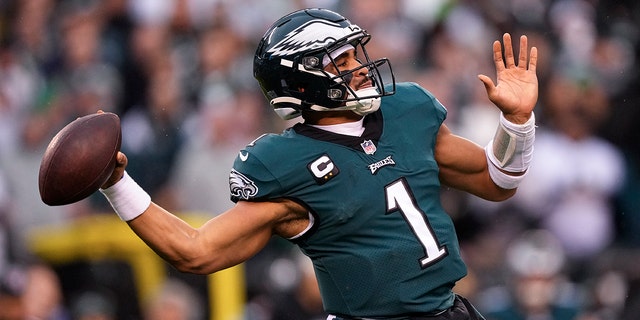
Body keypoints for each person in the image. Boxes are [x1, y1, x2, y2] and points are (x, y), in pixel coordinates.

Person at [98, 8, 538, 320]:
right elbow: (195, 251)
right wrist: (116, 183)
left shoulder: (406, 112)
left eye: (355, 55)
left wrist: (517, 123)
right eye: (340, 62)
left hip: (450, 311)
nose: (361, 68)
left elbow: (498, 181)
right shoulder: (287, 165)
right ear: (304, 82)